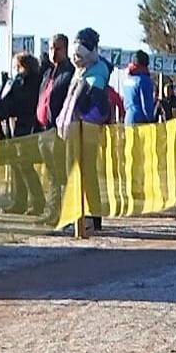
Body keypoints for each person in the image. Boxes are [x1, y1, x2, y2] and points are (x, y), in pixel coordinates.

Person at [56, 28, 113, 231]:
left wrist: (84, 120)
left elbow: (99, 109)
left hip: (84, 133)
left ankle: (89, 217)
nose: (75, 59)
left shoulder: (96, 75)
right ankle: (79, 215)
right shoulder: (81, 72)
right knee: (74, 174)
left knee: (85, 174)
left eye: (80, 56)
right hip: (73, 131)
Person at [0, 51, 45, 215]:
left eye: (17, 66)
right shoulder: (19, 82)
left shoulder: (29, 82)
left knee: (25, 166)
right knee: (16, 166)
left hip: (25, 127)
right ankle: (20, 201)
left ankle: (37, 201)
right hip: (14, 127)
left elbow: (20, 102)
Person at [35, 33, 74, 225]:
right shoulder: (48, 73)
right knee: (51, 175)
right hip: (44, 130)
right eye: (51, 48)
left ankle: (63, 213)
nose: (53, 52)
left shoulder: (70, 73)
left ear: (65, 49)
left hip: (59, 131)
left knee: (60, 175)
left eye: (57, 48)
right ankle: (52, 211)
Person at [123, 50, 156, 124]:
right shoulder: (144, 80)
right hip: (140, 120)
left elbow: (125, 103)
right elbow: (146, 105)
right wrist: (151, 120)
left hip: (128, 118)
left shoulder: (127, 80)